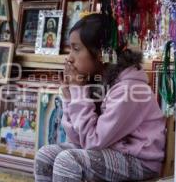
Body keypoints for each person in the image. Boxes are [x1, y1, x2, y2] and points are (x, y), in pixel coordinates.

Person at [34, 14, 166, 181]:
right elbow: (77, 138)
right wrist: (70, 97)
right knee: (45, 155)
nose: (69, 57)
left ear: (100, 53)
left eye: (76, 49)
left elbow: (92, 142)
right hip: (109, 151)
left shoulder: (128, 89)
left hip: (140, 161)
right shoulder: (96, 79)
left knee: (68, 161)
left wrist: (79, 91)